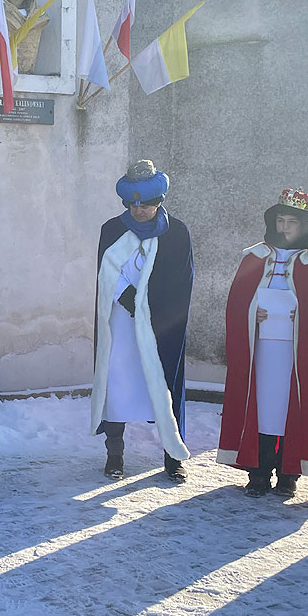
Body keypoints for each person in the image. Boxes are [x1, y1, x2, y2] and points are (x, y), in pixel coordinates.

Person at [218, 189, 308, 497]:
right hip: (263, 350)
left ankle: (288, 473)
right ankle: (258, 471)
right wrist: (253, 312)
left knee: (295, 409)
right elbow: (237, 302)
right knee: (263, 409)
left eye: (291, 222)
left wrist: (307, 316)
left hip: (304, 353)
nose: (284, 228)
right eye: (280, 221)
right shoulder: (256, 256)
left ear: (305, 224)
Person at [91, 159, 192, 481]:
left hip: (160, 323)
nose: (138, 211)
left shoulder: (176, 233)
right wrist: (126, 297)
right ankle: (115, 454)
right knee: (117, 383)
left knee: (164, 385)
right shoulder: (112, 229)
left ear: (158, 201)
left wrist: (151, 306)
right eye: (132, 205)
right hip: (121, 322)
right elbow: (106, 272)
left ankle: (173, 456)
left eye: (145, 205)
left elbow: (181, 280)